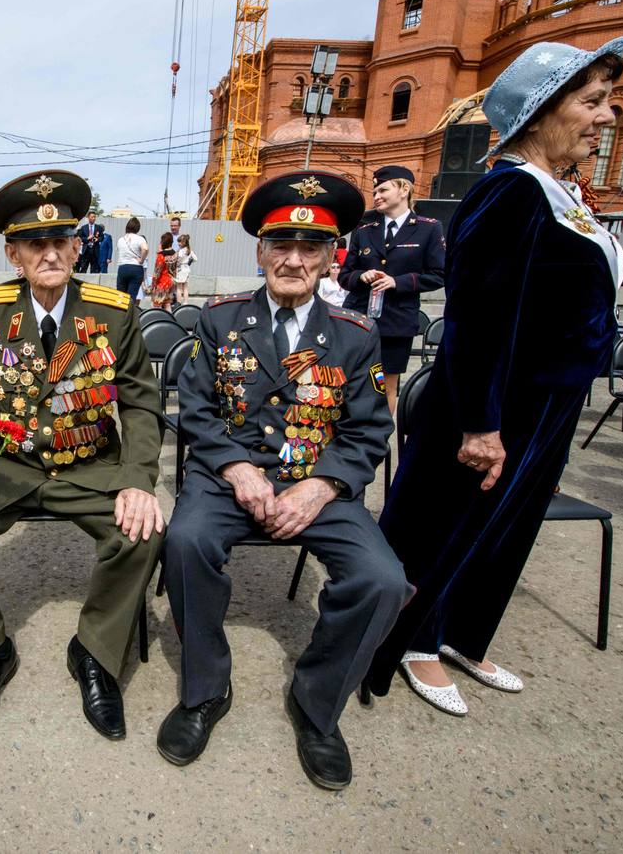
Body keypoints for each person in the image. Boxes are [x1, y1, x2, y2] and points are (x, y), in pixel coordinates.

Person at [365, 38, 623, 717]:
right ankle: (413, 640)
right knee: (449, 521)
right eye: (592, 102)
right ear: (539, 113)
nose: (608, 116)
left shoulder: (555, 190)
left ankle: (461, 632)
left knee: (508, 522)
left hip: (548, 396)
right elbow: (478, 317)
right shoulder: (509, 191)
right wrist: (482, 422)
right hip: (494, 401)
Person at [157, 170, 406, 790]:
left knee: (382, 580)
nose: (293, 261)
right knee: (185, 544)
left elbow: (369, 430)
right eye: (280, 247)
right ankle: (205, 691)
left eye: (310, 249)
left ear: (329, 259)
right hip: (226, 478)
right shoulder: (219, 320)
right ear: (260, 251)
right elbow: (197, 408)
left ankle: (318, 706)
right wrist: (237, 468)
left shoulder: (355, 336)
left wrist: (321, 486)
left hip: (315, 479)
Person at [0, 170, 164, 743]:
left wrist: (137, 479)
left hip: (88, 464)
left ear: (79, 246)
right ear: (14, 252)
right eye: (36, 243)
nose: (50, 252)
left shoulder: (113, 311)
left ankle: (96, 653)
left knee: (142, 531)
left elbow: (141, 404)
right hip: (6, 465)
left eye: (61, 241)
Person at [339, 165, 447, 414]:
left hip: (396, 322)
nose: (376, 196)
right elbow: (345, 276)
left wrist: (398, 282)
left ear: (404, 189)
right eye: (375, 191)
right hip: (359, 319)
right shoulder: (364, 230)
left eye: (383, 190)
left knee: (385, 385)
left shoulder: (428, 228)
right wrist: (361, 275)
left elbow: (439, 275)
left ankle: (377, 441)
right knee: (352, 381)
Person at [115, 217, 149, 300]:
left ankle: (120, 312)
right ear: (138, 228)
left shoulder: (120, 239)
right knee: (131, 296)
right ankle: (129, 311)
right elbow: (145, 248)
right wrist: (141, 260)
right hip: (136, 268)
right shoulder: (140, 239)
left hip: (123, 267)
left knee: (121, 295)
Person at [149, 232, 176, 311]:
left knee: (156, 305)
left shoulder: (161, 255)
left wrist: (153, 285)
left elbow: (157, 272)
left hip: (162, 283)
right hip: (171, 282)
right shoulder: (175, 254)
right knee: (167, 304)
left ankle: (156, 321)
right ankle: (171, 321)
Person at [76, 208, 104, 273]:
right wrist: (87, 238)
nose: (93, 218)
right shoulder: (83, 228)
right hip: (86, 251)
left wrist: (98, 239)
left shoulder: (99, 228)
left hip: (95, 250)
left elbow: (102, 237)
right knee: (83, 268)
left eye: (94, 217)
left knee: (94, 270)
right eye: (92, 217)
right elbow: (80, 238)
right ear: (88, 218)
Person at [174, 233, 196, 305]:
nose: (178, 243)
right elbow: (195, 259)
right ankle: (185, 302)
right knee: (186, 287)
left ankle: (179, 302)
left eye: (179, 242)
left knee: (179, 288)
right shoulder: (189, 250)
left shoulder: (180, 251)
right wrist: (189, 261)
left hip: (181, 269)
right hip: (187, 269)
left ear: (183, 243)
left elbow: (178, 260)